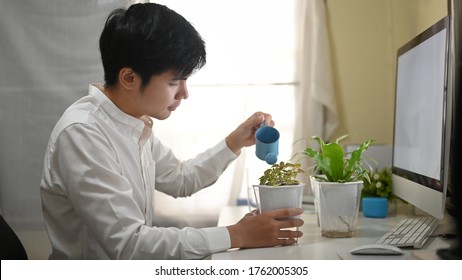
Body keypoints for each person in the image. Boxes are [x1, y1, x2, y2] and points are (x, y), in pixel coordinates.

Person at [39, 2, 303, 260]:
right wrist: (237, 235)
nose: (184, 93)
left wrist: (235, 141)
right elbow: (130, 246)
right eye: (174, 81)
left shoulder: (132, 122)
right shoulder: (84, 134)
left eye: (185, 80)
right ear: (129, 78)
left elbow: (181, 179)